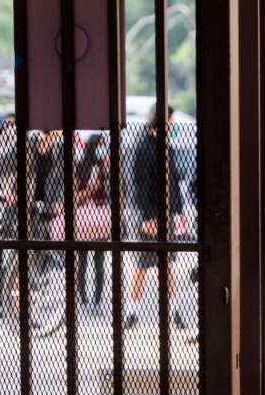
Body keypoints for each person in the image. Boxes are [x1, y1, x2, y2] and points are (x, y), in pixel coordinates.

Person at [125, 103, 186, 330]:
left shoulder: (166, 147)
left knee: (166, 265)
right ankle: (132, 312)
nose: (173, 125)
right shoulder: (140, 145)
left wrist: (178, 212)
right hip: (145, 215)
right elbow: (136, 186)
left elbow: (174, 183)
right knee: (141, 266)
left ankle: (174, 311)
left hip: (166, 213)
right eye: (170, 121)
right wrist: (147, 218)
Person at [74, 134, 112, 311]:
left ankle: (97, 300)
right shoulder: (81, 167)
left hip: (101, 219)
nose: (103, 151)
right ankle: (83, 298)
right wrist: (92, 188)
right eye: (100, 147)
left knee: (100, 262)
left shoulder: (107, 168)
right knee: (82, 261)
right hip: (84, 217)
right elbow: (76, 196)